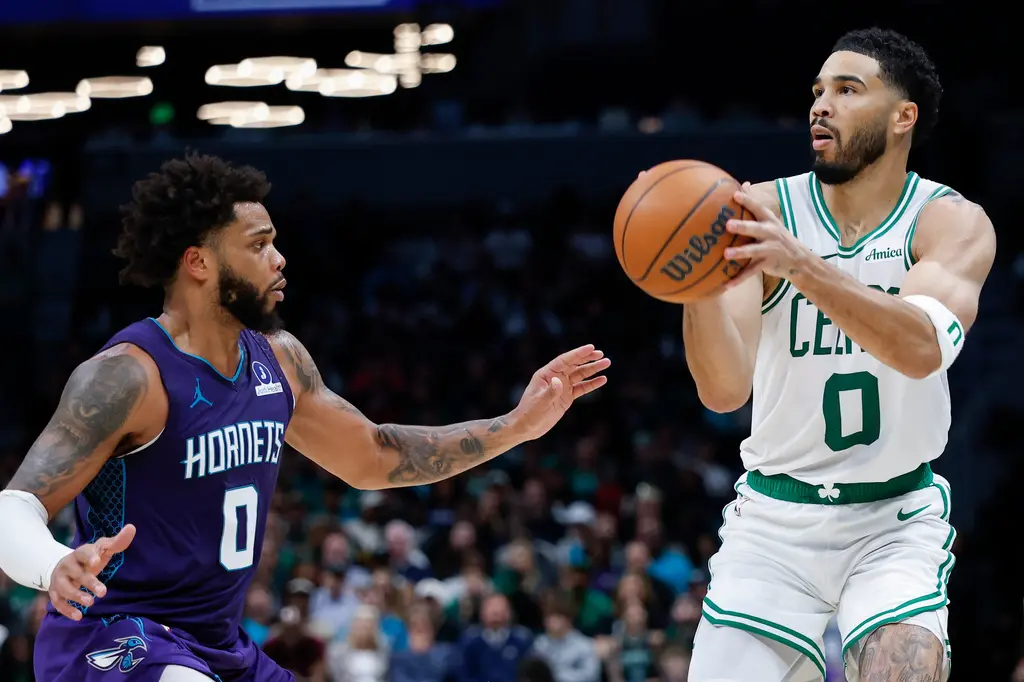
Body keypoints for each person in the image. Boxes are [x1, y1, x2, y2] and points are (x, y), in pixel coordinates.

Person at [0, 153, 610, 682]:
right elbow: (13, 507)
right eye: (258, 245)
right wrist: (53, 564)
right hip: (112, 635)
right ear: (199, 262)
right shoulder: (128, 377)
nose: (280, 259)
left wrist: (516, 426)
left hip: (217, 644)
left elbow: (375, 457)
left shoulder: (281, 360)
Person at [681, 28, 996, 682]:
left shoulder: (947, 222)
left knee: (902, 671)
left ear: (903, 116)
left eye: (848, 90)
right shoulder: (761, 211)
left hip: (893, 519)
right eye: (818, 91)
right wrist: (696, 284)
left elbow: (920, 349)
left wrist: (801, 266)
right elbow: (723, 390)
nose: (821, 105)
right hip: (773, 522)